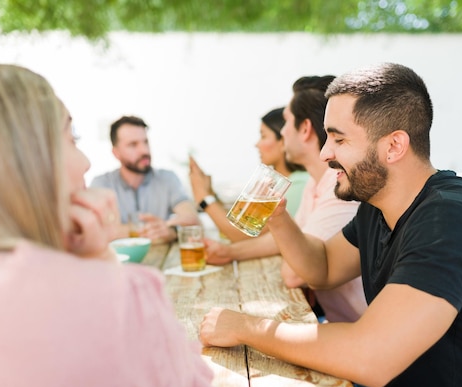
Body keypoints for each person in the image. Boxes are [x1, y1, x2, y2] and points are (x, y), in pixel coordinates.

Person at [199, 63, 462, 387]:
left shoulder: (449, 219)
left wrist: (247, 328)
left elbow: (372, 356)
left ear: (394, 146)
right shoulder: (377, 205)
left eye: (339, 139)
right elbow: (323, 268)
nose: (326, 153)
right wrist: (279, 219)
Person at [0, 58, 217, 387]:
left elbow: (187, 214)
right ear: (22, 161)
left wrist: (167, 225)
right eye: (72, 139)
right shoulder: (118, 297)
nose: (83, 160)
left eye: (145, 142)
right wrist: (100, 261)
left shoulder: (166, 180)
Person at [203, 76, 367, 324]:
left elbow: (293, 274)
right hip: (338, 323)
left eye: (287, 121)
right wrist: (229, 252)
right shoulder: (316, 181)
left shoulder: (340, 187)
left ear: (304, 129)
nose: (282, 131)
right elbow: (291, 239)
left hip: (359, 333)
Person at [189, 107, 309, 242]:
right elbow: (242, 218)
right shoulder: (271, 183)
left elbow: (242, 234)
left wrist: (203, 198)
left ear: (283, 140)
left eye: (263, 136)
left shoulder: (299, 184)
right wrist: (210, 194)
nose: (256, 144)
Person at [91, 115, 200, 243]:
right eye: (133, 145)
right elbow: (97, 231)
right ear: (116, 153)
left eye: (145, 142)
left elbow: (193, 220)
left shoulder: (168, 179)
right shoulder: (102, 184)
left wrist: (171, 231)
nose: (144, 150)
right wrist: (153, 228)